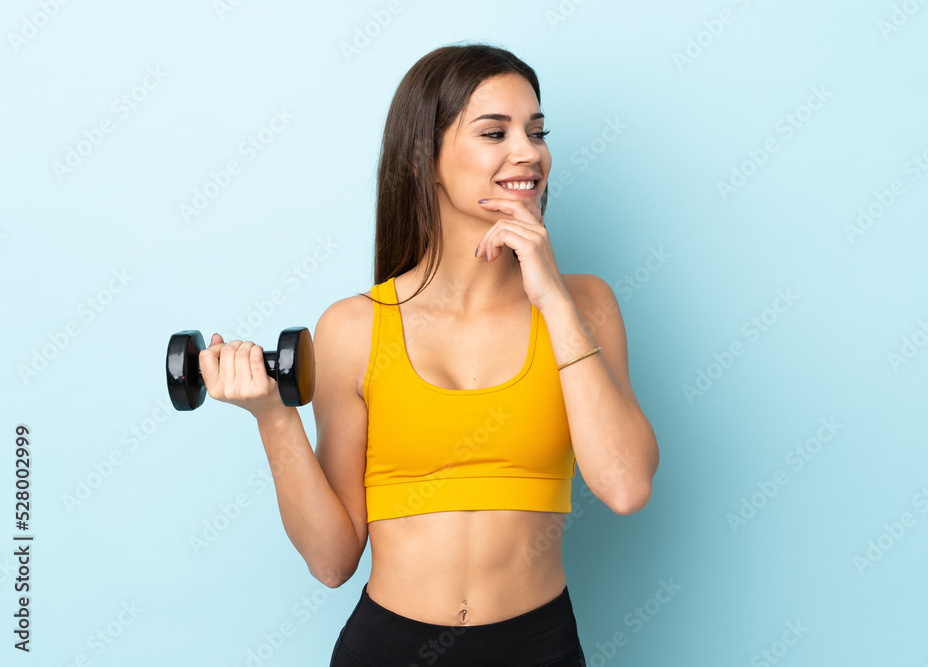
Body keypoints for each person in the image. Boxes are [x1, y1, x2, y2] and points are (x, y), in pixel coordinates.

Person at [198, 42, 659, 667]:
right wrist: (273, 417)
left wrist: (551, 296)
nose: (528, 152)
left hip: (538, 648)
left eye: (536, 131)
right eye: (494, 132)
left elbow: (626, 485)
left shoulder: (585, 306)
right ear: (424, 158)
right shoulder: (356, 327)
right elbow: (333, 561)